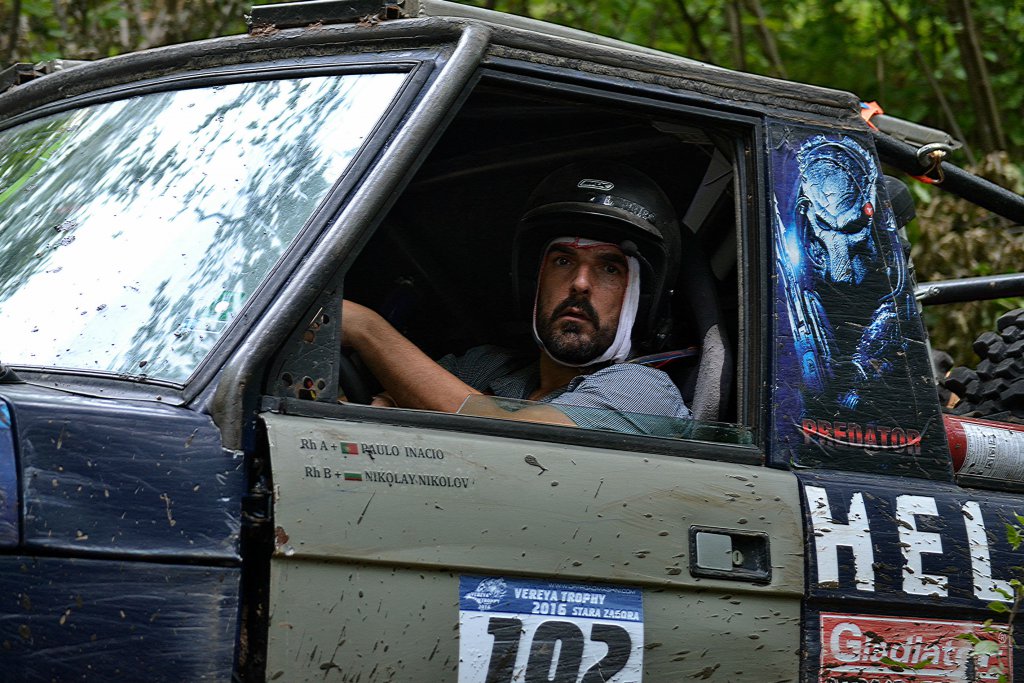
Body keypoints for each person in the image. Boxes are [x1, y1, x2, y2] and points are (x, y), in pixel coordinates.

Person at [341, 161, 691, 432]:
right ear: (534, 283)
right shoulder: (484, 366)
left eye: (610, 268)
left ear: (641, 300)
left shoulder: (644, 391)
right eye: (563, 261)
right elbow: (398, 394)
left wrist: (368, 329)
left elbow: (518, 443)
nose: (580, 283)